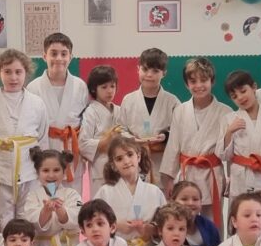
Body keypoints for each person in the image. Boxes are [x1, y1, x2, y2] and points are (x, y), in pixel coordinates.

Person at [0, 48, 49, 224]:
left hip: (29, 168)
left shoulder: (37, 103)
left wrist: (44, 169)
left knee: (29, 215)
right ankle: (3, 243)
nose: (13, 77)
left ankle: (27, 243)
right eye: (7, 72)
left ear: (26, 73)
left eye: (18, 72)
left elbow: (42, 137)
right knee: (2, 217)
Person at [160, 57, 232, 227]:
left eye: (204, 80)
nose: (198, 85)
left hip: (212, 174)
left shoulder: (225, 112)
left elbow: (230, 149)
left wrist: (231, 178)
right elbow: (173, 146)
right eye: (193, 81)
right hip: (188, 172)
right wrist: (168, 178)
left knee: (212, 222)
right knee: (184, 219)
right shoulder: (180, 111)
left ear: (212, 81)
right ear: (187, 84)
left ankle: (213, 245)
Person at [27, 33, 90, 195]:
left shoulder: (80, 86)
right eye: (53, 54)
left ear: (71, 57)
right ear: (44, 56)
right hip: (45, 148)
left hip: (71, 149)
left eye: (64, 54)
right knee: (47, 197)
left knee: (72, 198)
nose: (59, 58)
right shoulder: (33, 88)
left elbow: (85, 120)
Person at [95, 135, 166, 246]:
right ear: (113, 165)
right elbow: (92, 221)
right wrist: (115, 225)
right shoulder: (105, 192)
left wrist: (148, 229)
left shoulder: (155, 192)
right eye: (119, 159)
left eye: (130, 154)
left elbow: (164, 225)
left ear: (138, 156)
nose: (126, 161)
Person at [218, 70, 261, 197]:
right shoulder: (229, 119)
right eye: (234, 96)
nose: (240, 97)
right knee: (241, 208)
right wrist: (229, 132)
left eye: (243, 91)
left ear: (254, 87)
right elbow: (224, 156)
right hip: (240, 178)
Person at [119, 48, 180, 188]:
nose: (149, 75)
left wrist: (165, 136)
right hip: (134, 160)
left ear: (164, 73)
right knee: (135, 198)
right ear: (138, 69)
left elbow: (180, 131)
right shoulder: (128, 100)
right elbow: (120, 129)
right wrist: (131, 139)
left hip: (163, 163)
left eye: (155, 71)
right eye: (145, 69)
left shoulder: (173, 102)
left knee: (163, 199)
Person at [20, 148, 82, 246]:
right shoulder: (32, 196)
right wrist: (45, 211)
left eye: (56, 170)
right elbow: (32, 222)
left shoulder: (73, 194)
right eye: (45, 170)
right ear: (37, 173)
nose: (51, 175)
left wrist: (60, 211)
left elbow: (77, 218)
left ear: (64, 172)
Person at [79, 65, 126, 196]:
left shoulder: (119, 110)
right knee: (101, 202)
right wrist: (105, 141)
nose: (109, 91)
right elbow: (83, 144)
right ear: (94, 89)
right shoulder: (91, 112)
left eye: (112, 86)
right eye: (104, 87)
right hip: (100, 168)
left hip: (121, 166)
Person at [171, 180, 221, 246]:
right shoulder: (168, 228)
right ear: (173, 201)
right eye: (184, 199)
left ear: (201, 202)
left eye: (195, 199)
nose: (190, 203)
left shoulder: (209, 226)